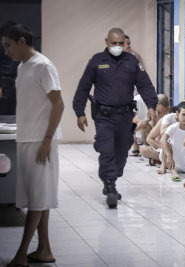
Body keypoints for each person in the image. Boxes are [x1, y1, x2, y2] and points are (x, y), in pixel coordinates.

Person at [72, 28, 157, 209]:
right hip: (104, 116)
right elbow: (83, 87)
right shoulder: (97, 61)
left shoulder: (132, 61)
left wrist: (151, 105)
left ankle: (112, 175)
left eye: (120, 43)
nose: (117, 46)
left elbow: (145, 84)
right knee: (107, 149)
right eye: (114, 43)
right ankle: (109, 185)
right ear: (107, 42)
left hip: (125, 116)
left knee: (122, 148)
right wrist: (79, 112)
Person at [2, 24, 64, 267]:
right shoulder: (23, 66)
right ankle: (44, 250)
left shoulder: (43, 66)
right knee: (40, 197)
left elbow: (58, 105)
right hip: (27, 138)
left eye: (8, 45)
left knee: (37, 200)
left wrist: (47, 141)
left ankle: (21, 255)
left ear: (21, 41)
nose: (6, 51)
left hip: (41, 141)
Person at [158, 101, 185, 180]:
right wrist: (169, 156)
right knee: (166, 143)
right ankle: (169, 169)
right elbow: (162, 140)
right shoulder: (173, 127)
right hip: (172, 162)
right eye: (183, 114)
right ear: (177, 114)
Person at [0, 21, 19, 115]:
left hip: (16, 80)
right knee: (3, 110)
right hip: (4, 81)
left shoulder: (19, 44)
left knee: (14, 111)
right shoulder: (3, 45)